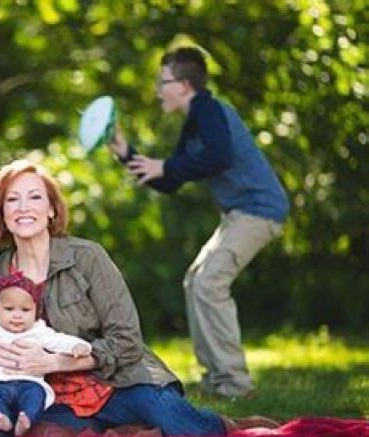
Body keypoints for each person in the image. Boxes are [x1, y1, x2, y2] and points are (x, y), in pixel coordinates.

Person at [0, 159, 278, 437]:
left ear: (52, 209)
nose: (23, 207)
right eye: (12, 199)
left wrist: (55, 361)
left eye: (35, 197)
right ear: (1, 211)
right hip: (52, 397)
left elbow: (127, 340)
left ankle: (229, 424)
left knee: (181, 424)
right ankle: (127, 432)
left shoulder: (88, 257)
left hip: (121, 381)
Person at [107, 47, 289, 399]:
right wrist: (126, 154)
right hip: (238, 213)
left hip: (258, 209)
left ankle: (235, 384)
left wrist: (166, 166)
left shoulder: (209, 109)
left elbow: (219, 156)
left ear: (185, 85)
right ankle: (215, 380)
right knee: (196, 281)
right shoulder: (194, 122)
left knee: (209, 282)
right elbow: (170, 181)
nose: (158, 90)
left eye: (163, 82)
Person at [0, 271, 91, 437]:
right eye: (9, 309)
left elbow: (58, 340)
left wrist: (77, 346)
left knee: (36, 394)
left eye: (25, 310)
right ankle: (1, 417)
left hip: (28, 383)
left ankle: (26, 419)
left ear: (36, 312)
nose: (17, 315)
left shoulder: (38, 330)